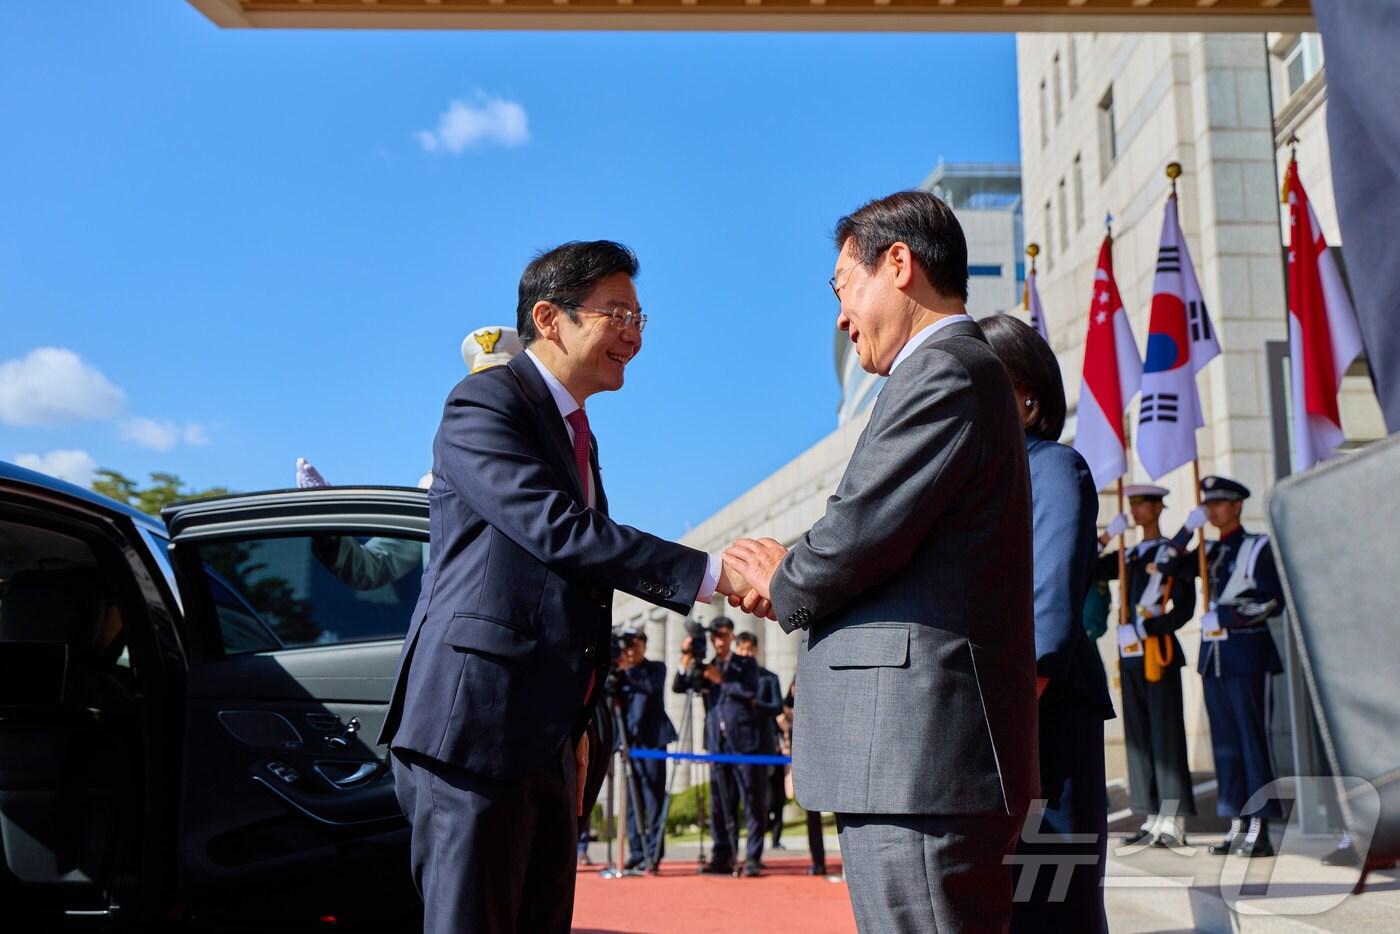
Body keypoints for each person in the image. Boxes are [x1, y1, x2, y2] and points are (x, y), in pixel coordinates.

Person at [377, 241, 755, 934]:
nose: (634, 334)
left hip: (547, 742)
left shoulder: (575, 432)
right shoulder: (484, 401)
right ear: (549, 318)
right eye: (617, 313)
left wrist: (577, 727)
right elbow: (561, 532)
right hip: (476, 734)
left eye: (641, 317)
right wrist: (713, 573)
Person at [726, 191, 1037, 934]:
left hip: (920, 766)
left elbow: (862, 529)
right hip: (910, 765)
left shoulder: (946, 371)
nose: (841, 315)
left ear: (898, 264)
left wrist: (782, 575)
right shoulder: (945, 373)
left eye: (844, 287)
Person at [980, 315, 1114, 933]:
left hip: (1041, 720)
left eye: (981, 381)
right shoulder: (978, 483)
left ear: (1027, 398)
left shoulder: (1052, 467)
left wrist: (1007, 715)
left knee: (1054, 903)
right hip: (992, 729)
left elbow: (1050, 602)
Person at [1159, 475, 1285, 859]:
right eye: (1207, 504)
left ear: (1237, 506)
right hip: (1214, 662)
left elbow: (1272, 600)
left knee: (1252, 742)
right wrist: (1186, 530)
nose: (1212, 509)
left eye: (1218, 503)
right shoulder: (1207, 551)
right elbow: (1162, 566)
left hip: (1247, 657)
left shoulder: (1257, 547)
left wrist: (1229, 616)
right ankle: (1236, 823)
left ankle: (1260, 827)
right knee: (1226, 746)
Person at [1093, 484, 1198, 848]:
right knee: (1138, 736)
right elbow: (1086, 566)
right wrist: (1107, 536)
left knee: (1165, 733)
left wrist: (1150, 625)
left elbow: (1184, 608)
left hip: (1159, 651)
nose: (1135, 510)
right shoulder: (1130, 554)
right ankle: (1151, 815)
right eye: (1132, 504)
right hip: (1131, 656)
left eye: (1141, 504)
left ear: (1156, 509)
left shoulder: (1173, 552)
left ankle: (1174, 819)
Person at [671, 617, 768, 876]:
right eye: (715, 636)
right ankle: (722, 856)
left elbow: (750, 692)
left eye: (724, 635)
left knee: (750, 801)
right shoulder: (706, 666)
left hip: (745, 743)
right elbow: (679, 687)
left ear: (731, 636)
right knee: (719, 803)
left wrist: (720, 680)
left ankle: (753, 858)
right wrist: (686, 655)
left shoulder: (745, 663)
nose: (719, 640)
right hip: (716, 743)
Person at [615, 629, 676, 871]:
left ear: (644, 645)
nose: (630, 651)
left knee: (653, 801)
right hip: (630, 743)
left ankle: (653, 854)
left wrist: (628, 669)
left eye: (635, 645)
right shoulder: (619, 675)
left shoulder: (655, 669)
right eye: (627, 647)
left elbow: (649, 688)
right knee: (632, 802)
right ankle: (637, 852)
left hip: (653, 743)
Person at [734, 631, 786, 853]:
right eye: (742, 649)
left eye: (749, 649)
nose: (746, 653)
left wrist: (756, 704)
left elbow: (777, 707)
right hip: (733, 748)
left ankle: (755, 855)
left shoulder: (769, 677)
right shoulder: (728, 677)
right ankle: (730, 854)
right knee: (734, 800)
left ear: (755, 650)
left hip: (762, 746)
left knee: (762, 799)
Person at [782, 673, 829, 876]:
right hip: (809, 760)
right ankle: (818, 861)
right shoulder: (794, 706)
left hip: (830, 756)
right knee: (812, 813)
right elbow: (784, 710)